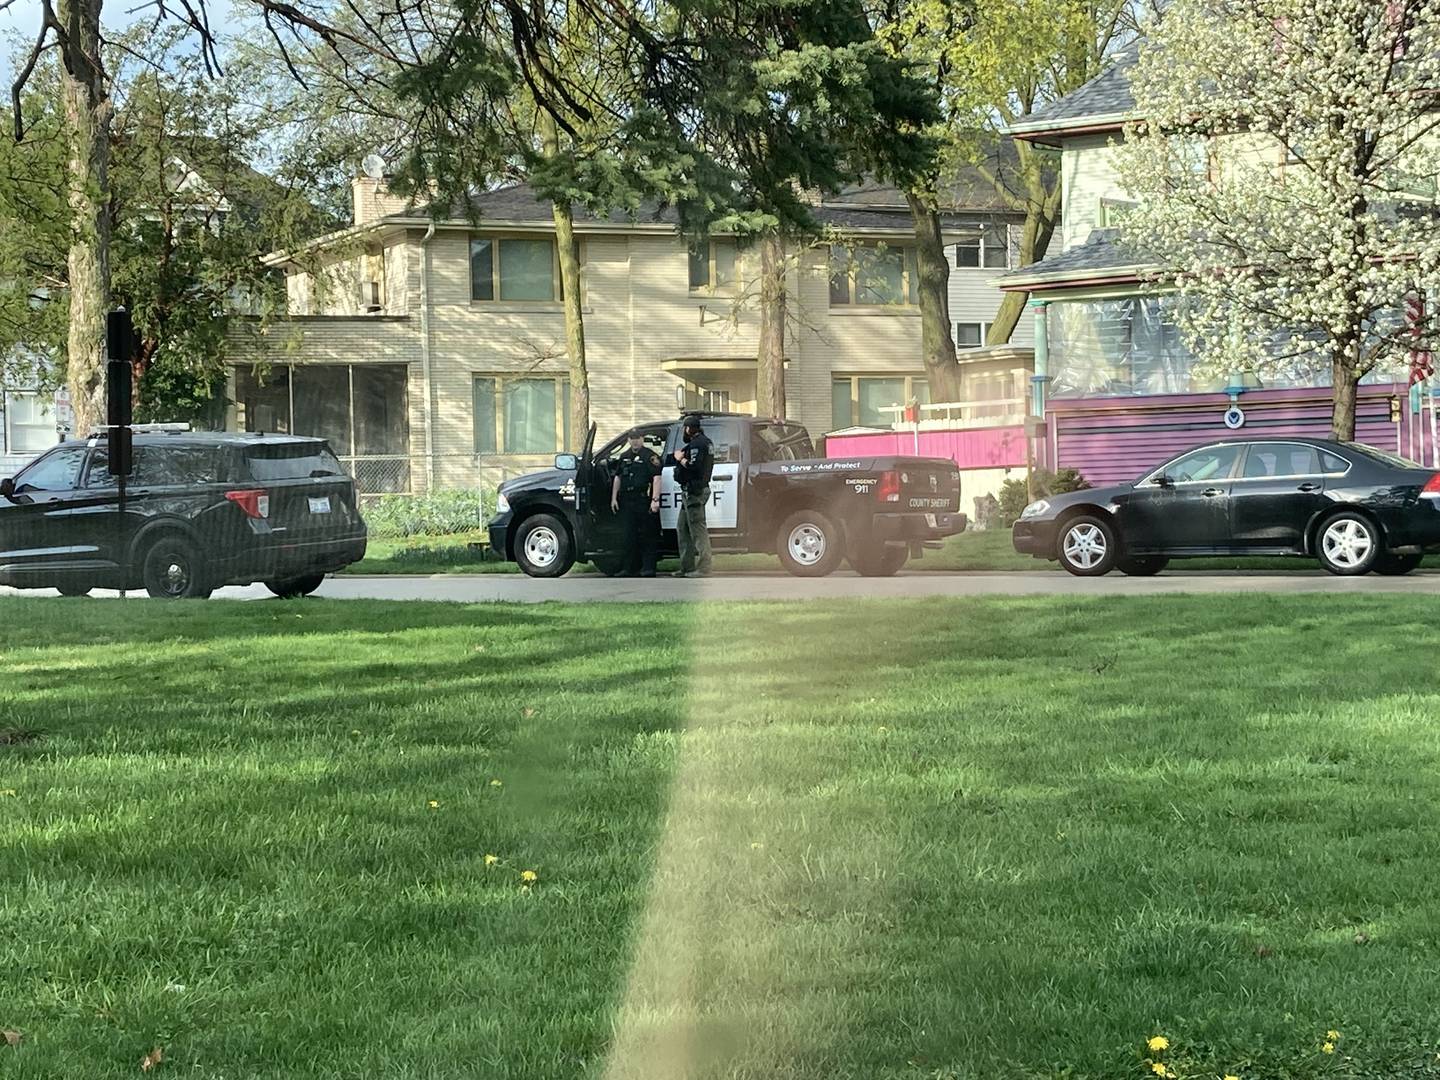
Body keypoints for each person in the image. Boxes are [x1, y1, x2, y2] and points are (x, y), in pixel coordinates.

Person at [610, 429, 663, 577]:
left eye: (637, 438)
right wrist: (614, 498)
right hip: (626, 500)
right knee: (628, 535)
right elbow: (618, 478)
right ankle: (628, 568)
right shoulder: (624, 456)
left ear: (642, 439)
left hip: (643, 499)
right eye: (632, 438)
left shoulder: (650, 456)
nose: (635, 441)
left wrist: (655, 500)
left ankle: (648, 568)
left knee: (647, 535)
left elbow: (657, 478)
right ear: (628, 440)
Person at [672, 414, 714, 577]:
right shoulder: (705, 442)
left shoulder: (697, 444)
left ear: (689, 428)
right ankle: (686, 567)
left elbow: (694, 467)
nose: (684, 431)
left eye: (685, 428)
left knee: (697, 530)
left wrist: (680, 459)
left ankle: (704, 567)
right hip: (690, 492)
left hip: (694, 492)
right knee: (682, 528)